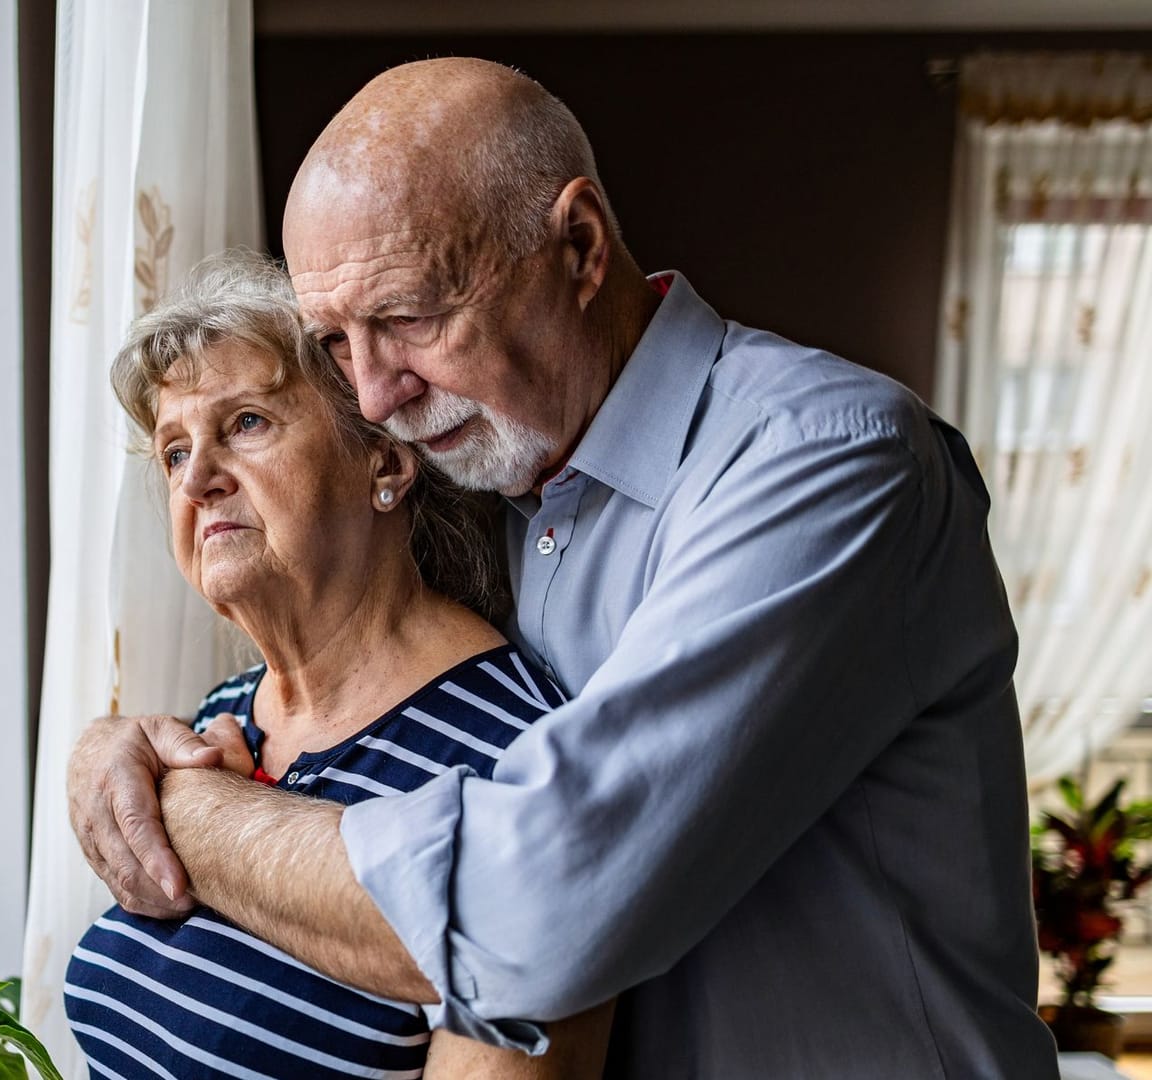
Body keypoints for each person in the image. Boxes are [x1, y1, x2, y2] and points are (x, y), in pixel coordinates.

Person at [66, 58, 1059, 1077]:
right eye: (333, 341)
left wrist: (174, 806)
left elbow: (535, 912)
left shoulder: (827, 457)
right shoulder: (500, 476)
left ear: (579, 248)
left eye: (407, 316)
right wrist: (115, 748)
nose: (372, 396)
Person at [63, 251, 614, 1078]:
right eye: (175, 451)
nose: (199, 480)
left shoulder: (519, 760)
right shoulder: (224, 715)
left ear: (385, 460)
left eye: (246, 423)